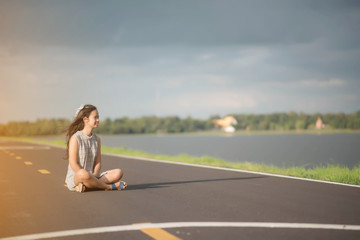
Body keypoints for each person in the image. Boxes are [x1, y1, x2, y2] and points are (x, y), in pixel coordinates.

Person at [65, 104, 127, 192]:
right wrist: (88, 176)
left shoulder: (97, 139)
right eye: (95, 117)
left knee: (118, 172)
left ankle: (87, 186)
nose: (98, 120)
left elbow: (98, 163)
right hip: (78, 176)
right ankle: (109, 187)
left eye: (98, 117)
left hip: (93, 176)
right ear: (85, 119)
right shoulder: (75, 138)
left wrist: (94, 175)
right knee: (83, 174)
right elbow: (73, 164)